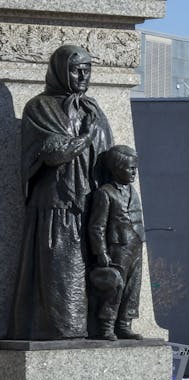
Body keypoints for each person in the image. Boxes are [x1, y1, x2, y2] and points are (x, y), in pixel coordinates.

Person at [11, 45, 113, 340]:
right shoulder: (39, 107)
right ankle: (61, 330)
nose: (83, 75)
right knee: (60, 275)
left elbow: (106, 154)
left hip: (91, 205)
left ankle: (105, 325)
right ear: (59, 70)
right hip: (56, 207)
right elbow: (53, 151)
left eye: (88, 69)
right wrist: (84, 138)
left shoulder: (92, 109)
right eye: (76, 68)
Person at [86, 145, 144, 340]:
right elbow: (97, 226)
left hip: (135, 245)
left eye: (135, 168)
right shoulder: (105, 192)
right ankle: (106, 325)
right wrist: (100, 251)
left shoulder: (132, 191)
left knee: (132, 288)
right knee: (115, 287)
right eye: (130, 168)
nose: (134, 172)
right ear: (117, 168)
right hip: (117, 248)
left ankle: (124, 324)